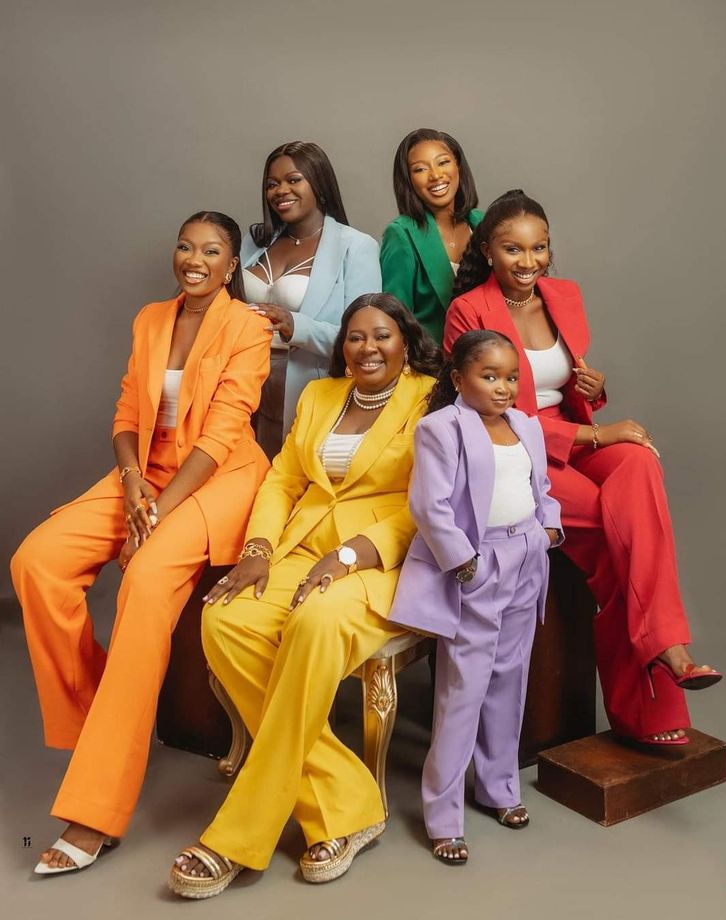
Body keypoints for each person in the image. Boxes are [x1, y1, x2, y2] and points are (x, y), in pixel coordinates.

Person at [11, 211, 271, 874]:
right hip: (146, 474)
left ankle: (95, 813)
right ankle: (105, 713)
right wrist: (132, 486)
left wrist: (154, 514)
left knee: (146, 580)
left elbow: (219, 437)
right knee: (36, 562)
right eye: (185, 246)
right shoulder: (151, 318)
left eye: (210, 250)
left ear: (230, 264)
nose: (194, 259)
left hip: (215, 481)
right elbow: (129, 415)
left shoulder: (247, 326)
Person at [167, 293, 442, 899]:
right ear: (341, 346)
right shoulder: (320, 396)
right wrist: (259, 550)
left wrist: (349, 555)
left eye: (382, 336)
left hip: (381, 561)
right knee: (225, 619)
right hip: (299, 550)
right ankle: (348, 803)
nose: (367, 348)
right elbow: (284, 479)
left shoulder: (431, 399)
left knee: (316, 623)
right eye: (355, 337)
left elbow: (427, 502)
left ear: (406, 342)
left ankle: (237, 836)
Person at [444, 190, 721, 746]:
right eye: (513, 250)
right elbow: (495, 409)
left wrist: (593, 389)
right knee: (619, 537)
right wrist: (598, 432)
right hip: (513, 452)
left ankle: (662, 651)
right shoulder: (468, 310)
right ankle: (659, 677)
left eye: (539, 248)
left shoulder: (564, 295)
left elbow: (564, 383)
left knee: (638, 464)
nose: (529, 262)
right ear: (489, 251)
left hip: (571, 435)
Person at [389, 330, 561, 864]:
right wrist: (465, 565)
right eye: (489, 376)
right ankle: (443, 815)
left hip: (526, 556)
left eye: (511, 377)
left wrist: (548, 530)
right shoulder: (441, 428)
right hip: (477, 564)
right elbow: (430, 505)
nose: (503, 387)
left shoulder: (526, 426)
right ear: (460, 379)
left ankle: (499, 788)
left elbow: (543, 489)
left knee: (510, 682)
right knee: (464, 688)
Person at [242, 141, 381, 459]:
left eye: (293, 180)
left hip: (305, 386)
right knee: (239, 483)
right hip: (242, 381)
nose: (281, 191)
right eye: (272, 184)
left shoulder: (356, 247)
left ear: (318, 183)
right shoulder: (255, 241)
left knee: (288, 486)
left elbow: (364, 340)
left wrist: (296, 326)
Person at [380, 128, 483, 345]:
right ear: (408, 180)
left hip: (490, 362)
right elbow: (395, 319)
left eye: (443, 162)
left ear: (458, 165)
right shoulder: (401, 234)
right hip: (433, 366)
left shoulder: (483, 223)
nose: (435, 175)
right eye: (420, 169)